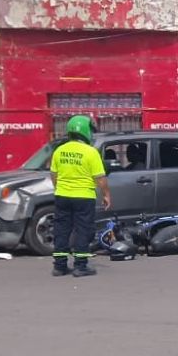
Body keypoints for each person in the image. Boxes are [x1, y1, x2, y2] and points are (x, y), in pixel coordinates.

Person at [50, 115, 111, 277]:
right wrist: (106, 195)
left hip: (62, 196)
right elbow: (100, 178)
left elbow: (54, 175)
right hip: (84, 197)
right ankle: (80, 266)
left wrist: (60, 188)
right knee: (83, 230)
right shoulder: (91, 152)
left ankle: (59, 266)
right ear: (84, 130)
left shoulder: (59, 150)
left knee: (61, 230)